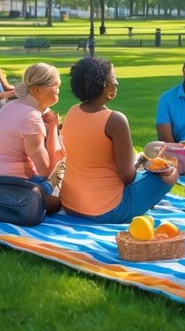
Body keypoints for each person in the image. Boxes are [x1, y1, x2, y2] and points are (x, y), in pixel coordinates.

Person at [60, 56, 178, 223]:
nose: (117, 82)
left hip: (71, 206)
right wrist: (145, 163)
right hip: (108, 211)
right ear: (103, 84)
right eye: (113, 77)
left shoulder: (72, 112)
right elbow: (127, 176)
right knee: (170, 173)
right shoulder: (115, 120)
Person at [0, 62, 64, 215]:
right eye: (55, 86)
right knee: (62, 189)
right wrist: (54, 127)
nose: (58, 90)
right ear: (38, 90)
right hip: (13, 190)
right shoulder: (32, 118)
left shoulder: (9, 107)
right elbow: (46, 171)